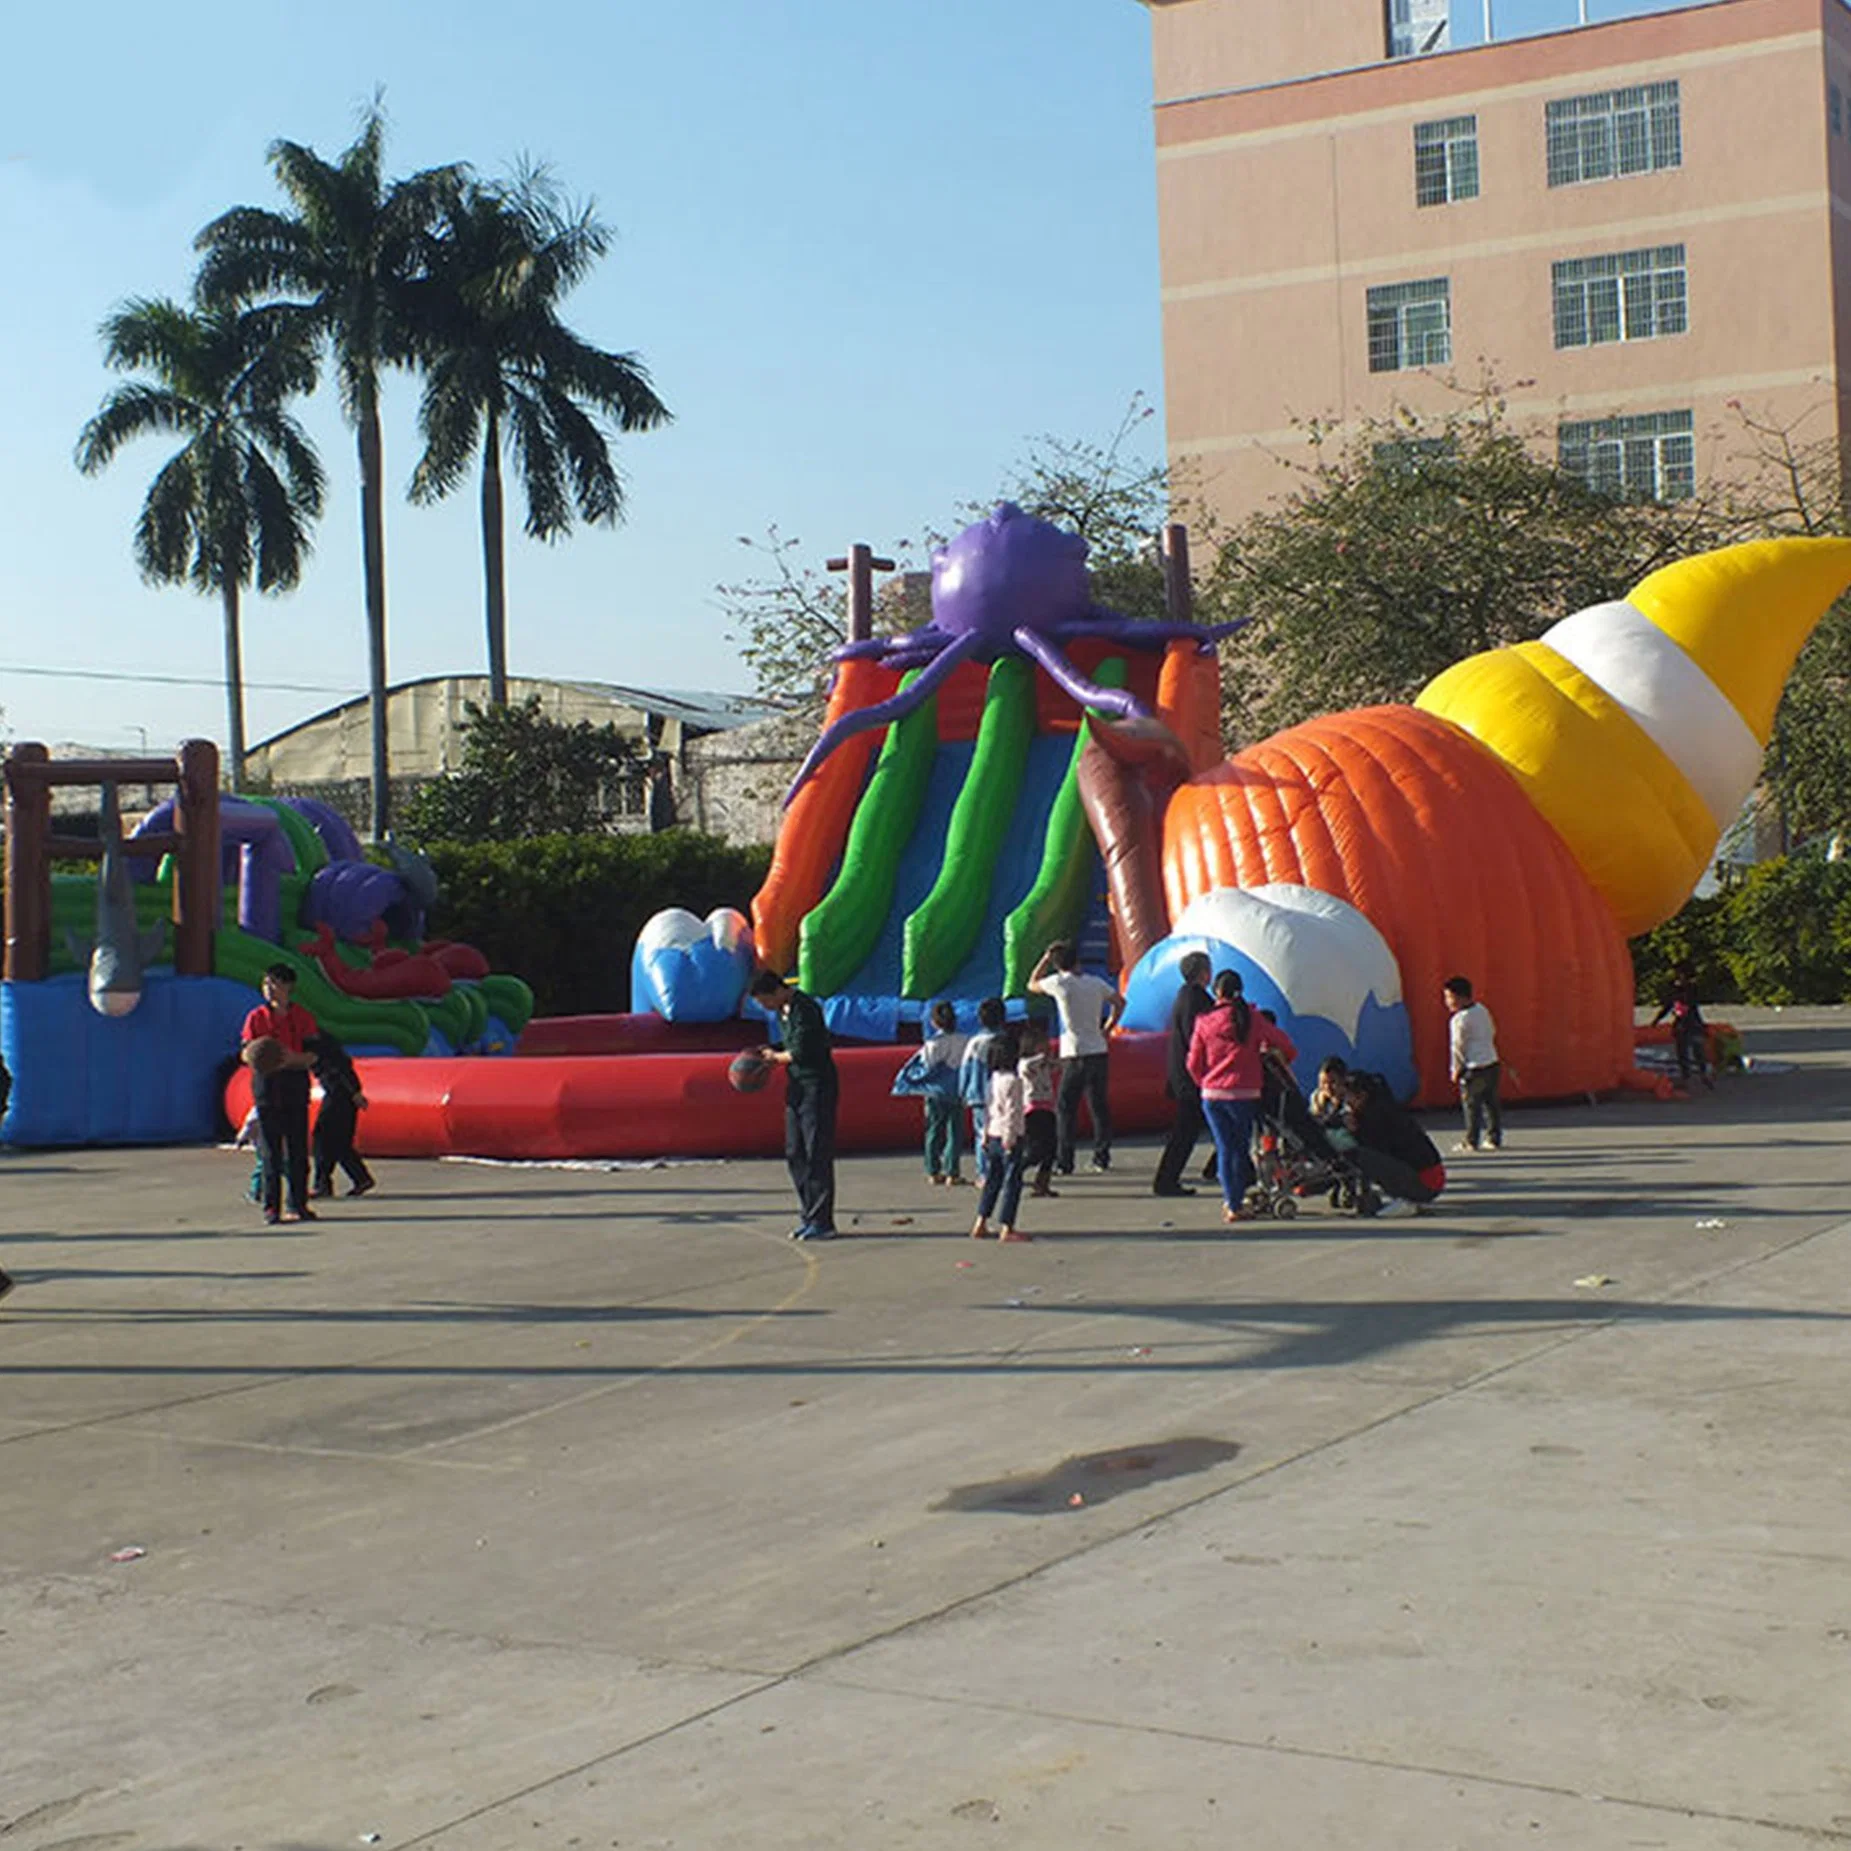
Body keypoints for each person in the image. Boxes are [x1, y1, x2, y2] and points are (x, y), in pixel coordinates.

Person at [1187, 969, 1297, 1224]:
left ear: (1217, 992)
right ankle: (1236, 1201)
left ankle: (1232, 1202)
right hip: (1245, 1092)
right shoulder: (1253, 1019)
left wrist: (1204, 1082)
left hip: (1213, 1094)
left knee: (1225, 1148)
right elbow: (1287, 1046)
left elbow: (1193, 1062)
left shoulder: (1204, 1021)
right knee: (1240, 1148)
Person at [751, 969, 839, 1241]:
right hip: (797, 1087)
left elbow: (801, 1050)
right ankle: (808, 1214)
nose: (766, 1007)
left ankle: (823, 1221)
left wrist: (774, 1058)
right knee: (795, 1150)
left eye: (766, 1001)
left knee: (816, 1152)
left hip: (817, 1086)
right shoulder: (783, 1011)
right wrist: (769, 1049)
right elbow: (789, 1043)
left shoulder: (804, 1008)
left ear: (777, 991)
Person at [1029, 941, 1124, 1174]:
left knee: (1065, 1108)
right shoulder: (1095, 983)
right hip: (1098, 1049)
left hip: (1074, 1051)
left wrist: (1044, 958)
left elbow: (1031, 984)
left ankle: (1065, 1160)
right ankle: (1102, 1156)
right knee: (1098, 1106)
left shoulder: (1059, 983)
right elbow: (1120, 1002)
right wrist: (1109, 1026)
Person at [241, 963, 320, 1225]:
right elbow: (245, 1052)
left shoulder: (303, 1017)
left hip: (294, 1085)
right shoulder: (256, 1017)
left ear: (288, 986)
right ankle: (271, 1207)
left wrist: (289, 1059)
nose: (269, 988)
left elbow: (313, 1055)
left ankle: (298, 1204)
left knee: (298, 1150)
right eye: (266, 983)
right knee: (270, 1152)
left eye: (274, 983)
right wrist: (258, 1056)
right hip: (266, 1086)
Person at [1152, 951, 1215, 1198]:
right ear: (1203, 972)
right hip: (1191, 1074)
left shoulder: (1186, 996)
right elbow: (1197, 1036)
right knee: (1186, 1130)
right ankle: (1166, 1179)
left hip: (1186, 1072)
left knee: (1192, 1127)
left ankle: (1173, 1176)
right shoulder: (1195, 998)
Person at [1344, 1070, 1446, 1215]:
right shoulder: (1385, 1107)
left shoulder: (1376, 1115)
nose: (1347, 1102)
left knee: (1359, 1155)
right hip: (1430, 1179)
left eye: (1349, 1097)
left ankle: (1405, 1199)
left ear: (1362, 1096)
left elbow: (1376, 1150)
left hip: (1425, 1183)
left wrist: (1354, 1131)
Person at [970, 1030, 1031, 1242]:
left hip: (993, 1133)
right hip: (1009, 1136)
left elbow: (989, 1108)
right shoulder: (1014, 1081)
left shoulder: (993, 1079)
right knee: (1012, 1182)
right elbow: (1013, 1112)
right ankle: (1007, 1226)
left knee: (992, 1181)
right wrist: (1011, 1138)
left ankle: (981, 1221)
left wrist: (985, 1134)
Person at [909, 1000, 968, 1185]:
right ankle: (952, 1171)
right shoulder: (964, 1040)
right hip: (955, 1089)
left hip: (935, 1091)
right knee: (955, 1131)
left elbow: (926, 1067)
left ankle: (933, 1170)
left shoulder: (932, 1043)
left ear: (935, 1022)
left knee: (934, 1130)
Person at [309, 1033, 375, 1199]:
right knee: (339, 1141)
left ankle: (323, 1183)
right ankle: (360, 1177)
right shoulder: (327, 1044)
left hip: (338, 1094)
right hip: (342, 1093)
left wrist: (354, 1093)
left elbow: (340, 1070)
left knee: (323, 1137)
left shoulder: (316, 1043)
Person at [1444, 975, 1503, 1153]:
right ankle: (1493, 1137)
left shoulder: (1459, 1019)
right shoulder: (1482, 1010)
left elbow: (1457, 1047)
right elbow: (1492, 1030)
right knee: (1491, 1103)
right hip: (1491, 1063)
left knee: (1471, 1105)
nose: (1447, 1002)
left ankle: (1471, 1140)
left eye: (1449, 997)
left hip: (1473, 1068)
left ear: (1461, 997)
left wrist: (1455, 1069)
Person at [958, 997, 1008, 1178]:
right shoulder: (1006, 1040)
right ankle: (1001, 1170)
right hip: (1002, 1094)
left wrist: (962, 1092)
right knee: (1003, 1132)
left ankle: (985, 1173)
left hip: (978, 1094)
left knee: (982, 1134)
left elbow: (966, 1069)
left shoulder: (975, 1042)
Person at [1017, 1017, 1059, 1198]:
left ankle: (1042, 1182)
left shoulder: (1044, 1064)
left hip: (1048, 1107)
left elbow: (1057, 1066)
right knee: (1036, 1150)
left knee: (1051, 1148)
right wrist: (1045, 1055)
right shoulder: (1025, 1064)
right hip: (1032, 1109)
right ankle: (1015, 1169)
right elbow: (1031, 1065)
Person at [1652, 964, 1713, 1088]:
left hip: (1686, 1023)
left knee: (1687, 1051)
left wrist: (1657, 1019)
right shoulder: (1688, 988)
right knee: (1694, 1050)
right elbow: (1671, 1005)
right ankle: (1700, 1074)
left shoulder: (1684, 989)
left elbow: (1672, 1004)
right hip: (1692, 1022)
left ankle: (1692, 1075)